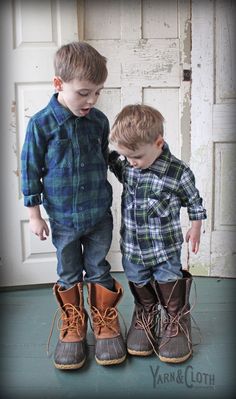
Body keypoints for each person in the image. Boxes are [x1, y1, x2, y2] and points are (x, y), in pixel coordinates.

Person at [21, 41, 126, 370]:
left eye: (97, 92)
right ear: (58, 84)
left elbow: (106, 157)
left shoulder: (99, 121)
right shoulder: (41, 124)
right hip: (63, 219)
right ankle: (73, 322)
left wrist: (131, 174)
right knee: (68, 272)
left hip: (98, 215)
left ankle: (105, 320)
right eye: (84, 93)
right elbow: (30, 170)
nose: (91, 100)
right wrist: (34, 214)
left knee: (99, 269)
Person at [108, 104, 207, 364]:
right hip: (132, 247)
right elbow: (114, 161)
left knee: (168, 279)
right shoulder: (129, 165)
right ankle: (146, 314)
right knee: (138, 279)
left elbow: (194, 201)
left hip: (164, 249)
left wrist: (196, 227)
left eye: (136, 156)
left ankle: (176, 319)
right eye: (126, 157)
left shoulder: (178, 172)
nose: (130, 163)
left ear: (158, 143)